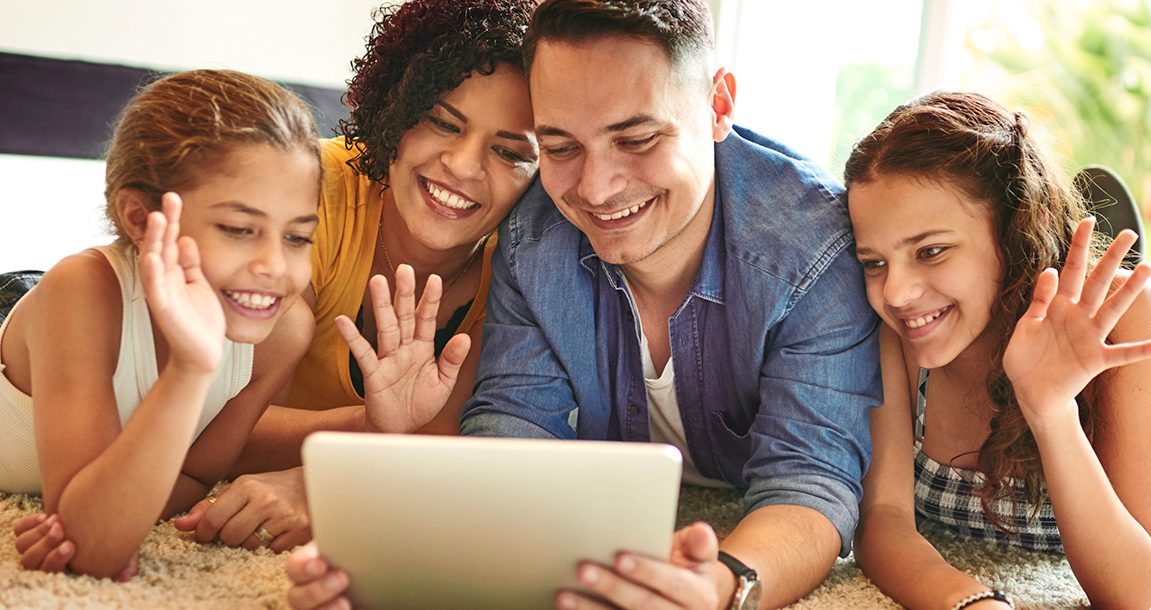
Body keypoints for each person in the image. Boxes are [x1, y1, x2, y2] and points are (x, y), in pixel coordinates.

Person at [286, 1, 881, 609]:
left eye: (637, 138)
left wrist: (721, 585)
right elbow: (511, 432)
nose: (595, 189)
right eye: (561, 147)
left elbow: (810, 483)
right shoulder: (531, 233)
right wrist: (401, 558)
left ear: (718, 105)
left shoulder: (816, 250)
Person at [166, 0, 540, 550]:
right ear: (396, 107)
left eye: (509, 152)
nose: (462, 165)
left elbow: (441, 446)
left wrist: (326, 481)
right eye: (442, 121)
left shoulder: (523, 269)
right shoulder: (303, 197)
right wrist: (366, 440)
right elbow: (201, 425)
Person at [845, 91, 1151, 610]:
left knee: (1100, 294)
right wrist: (973, 602)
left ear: (1011, 232)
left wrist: (1052, 412)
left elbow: (1131, 593)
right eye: (874, 261)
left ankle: (1082, 234)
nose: (895, 293)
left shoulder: (1125, 314)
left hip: (1073, 310)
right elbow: (883, 521)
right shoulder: (894, 326)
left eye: (930, 250)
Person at [0, 69, 322, 578]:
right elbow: (91, 552)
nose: (275, 266)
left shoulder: (284, 333)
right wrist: (191, 369)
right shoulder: (80, 291)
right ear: (139, 219)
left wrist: (114, 517)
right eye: (239, 229)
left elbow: (192, 472)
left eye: (297, 237)